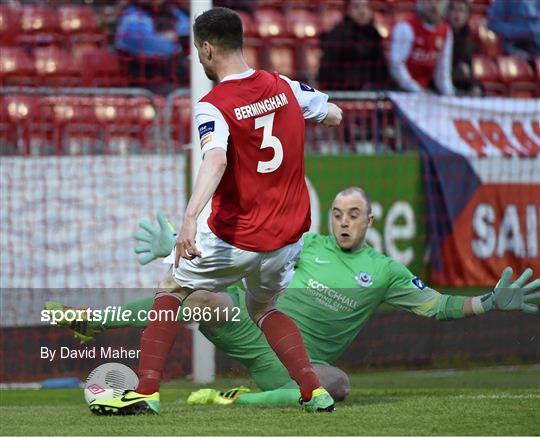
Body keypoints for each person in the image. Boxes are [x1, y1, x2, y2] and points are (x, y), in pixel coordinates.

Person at [47, 188, 540, 407]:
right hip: (251, 332)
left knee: (338, 384)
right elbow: (240, 251)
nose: (344, 221)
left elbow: (439, 307)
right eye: (338, 214)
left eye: (354, 215)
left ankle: (241, 399)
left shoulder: (386, 271)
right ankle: (95, 320)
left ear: (371, 221)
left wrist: (490, 302)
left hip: (296, 364)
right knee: (206, 297)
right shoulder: (305, 244)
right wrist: (186, 249)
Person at [90, 7, 343, 415]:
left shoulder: (214, 104)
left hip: (237, 235)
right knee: (264, 309)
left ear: (207, 49)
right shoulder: (285, 86)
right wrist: (303, 110)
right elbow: (334, 114)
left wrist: (190, 217)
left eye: (197, 50)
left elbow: (216, 159)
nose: (198, 57)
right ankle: (314, 391)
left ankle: (147, 390)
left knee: (171, 287)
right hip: (285, 238)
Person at [114, 0, 190, 93]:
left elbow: (189, 27)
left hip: (176, 79)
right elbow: (157, 46)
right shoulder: (132, 15)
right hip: (145, 83)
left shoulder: (171, 10)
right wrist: (175, 42)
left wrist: (175, 35)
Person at [318, 0, 390, 90]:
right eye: (356, 7)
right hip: (345, 94)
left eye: (366, 7)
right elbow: (327, 72)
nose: (362, 12)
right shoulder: (337, 35)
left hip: (372, 94)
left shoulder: (375, 35)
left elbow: (381, 70)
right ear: (347, 11)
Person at [389, 0, 455, 95]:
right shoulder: (405, 27)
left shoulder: (446, 31)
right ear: (421, 3)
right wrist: (417, 90)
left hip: (424, 93)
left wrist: (450, 96)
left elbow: (443, 72)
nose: (434, 5)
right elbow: (396, 66)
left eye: (438, 2)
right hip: (401, 92)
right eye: (429, 1)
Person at [447, 0, 482, 96]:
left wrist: (475, 87)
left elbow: (469, 70)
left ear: (467, 15)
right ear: (447, 12)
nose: (457, 14)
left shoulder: (468, 37)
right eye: (454, 10)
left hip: (461, 85)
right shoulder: (441, 33)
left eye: (461, 10)